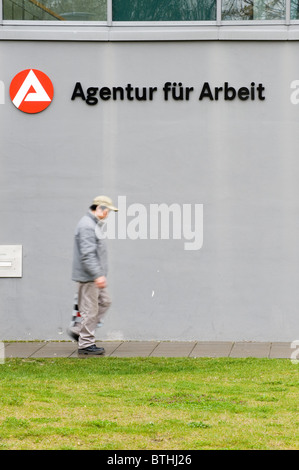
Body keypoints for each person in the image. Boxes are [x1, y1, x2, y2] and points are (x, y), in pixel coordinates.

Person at [69, 195, 118, 355]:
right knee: (90, 309)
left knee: (105, 302)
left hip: (94, 277)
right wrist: (97, 275)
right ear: (99, 208)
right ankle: (86, 345)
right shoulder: (87, 226)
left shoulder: (92, 224)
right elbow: (87, 254)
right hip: (89, 277)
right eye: (107, 211)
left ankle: (79, 330)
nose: (108, 214)